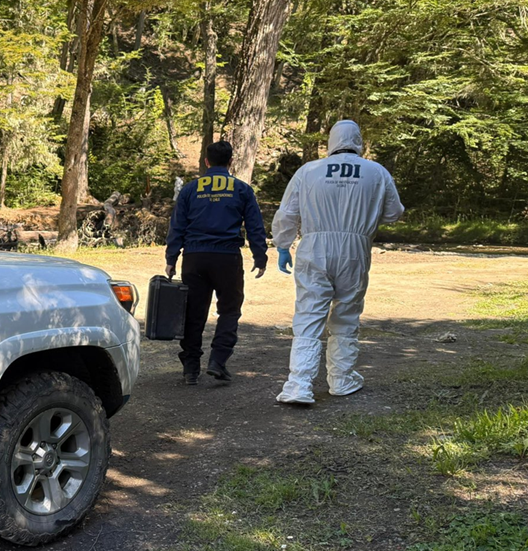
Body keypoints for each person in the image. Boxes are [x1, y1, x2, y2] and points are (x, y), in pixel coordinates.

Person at [273, 120, 405, 404]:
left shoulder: (309, 170)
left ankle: (298, 385)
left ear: (331, 141)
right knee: (346, 313)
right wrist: (366, 215)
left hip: (314, 247)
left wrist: (283, 245)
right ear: (358, 140)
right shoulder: (376, 172)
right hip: (355, 249)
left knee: (309, 313)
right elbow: (394, 212)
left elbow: (288, 213)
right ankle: (342, 379)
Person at [165, 141, 268, 386]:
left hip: (194, 258)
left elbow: (177, 225)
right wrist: (260, 256)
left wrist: (171, 258)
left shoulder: (190, 189)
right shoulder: (241, 189)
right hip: (227, 258)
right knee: (229, 310)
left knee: (193, 312)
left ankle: (191, 368)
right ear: (231, 161)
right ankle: (218, 361)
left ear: (206, 161)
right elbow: (254, 226)